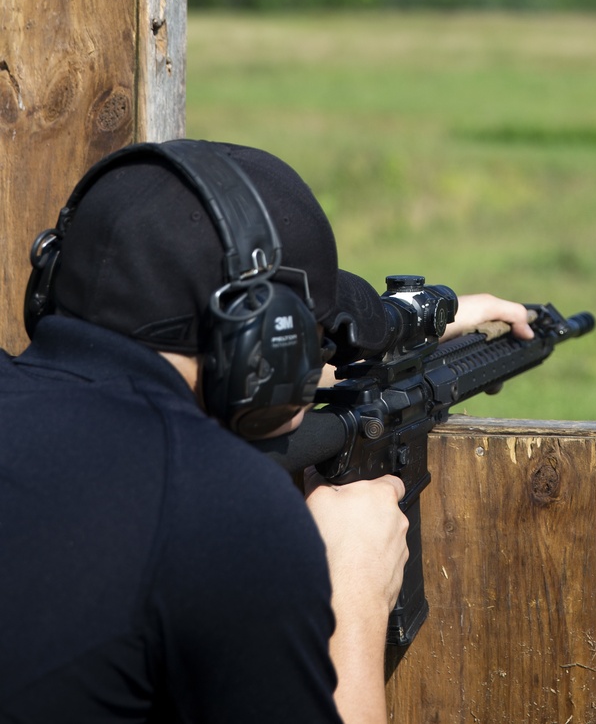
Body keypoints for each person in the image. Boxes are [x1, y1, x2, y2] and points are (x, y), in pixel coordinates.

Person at [0, 140, 532, 724]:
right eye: (312, 343)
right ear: (265, 350)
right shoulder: (222, 509)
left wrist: (410, 327)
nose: (318, 363)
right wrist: (352, 600)